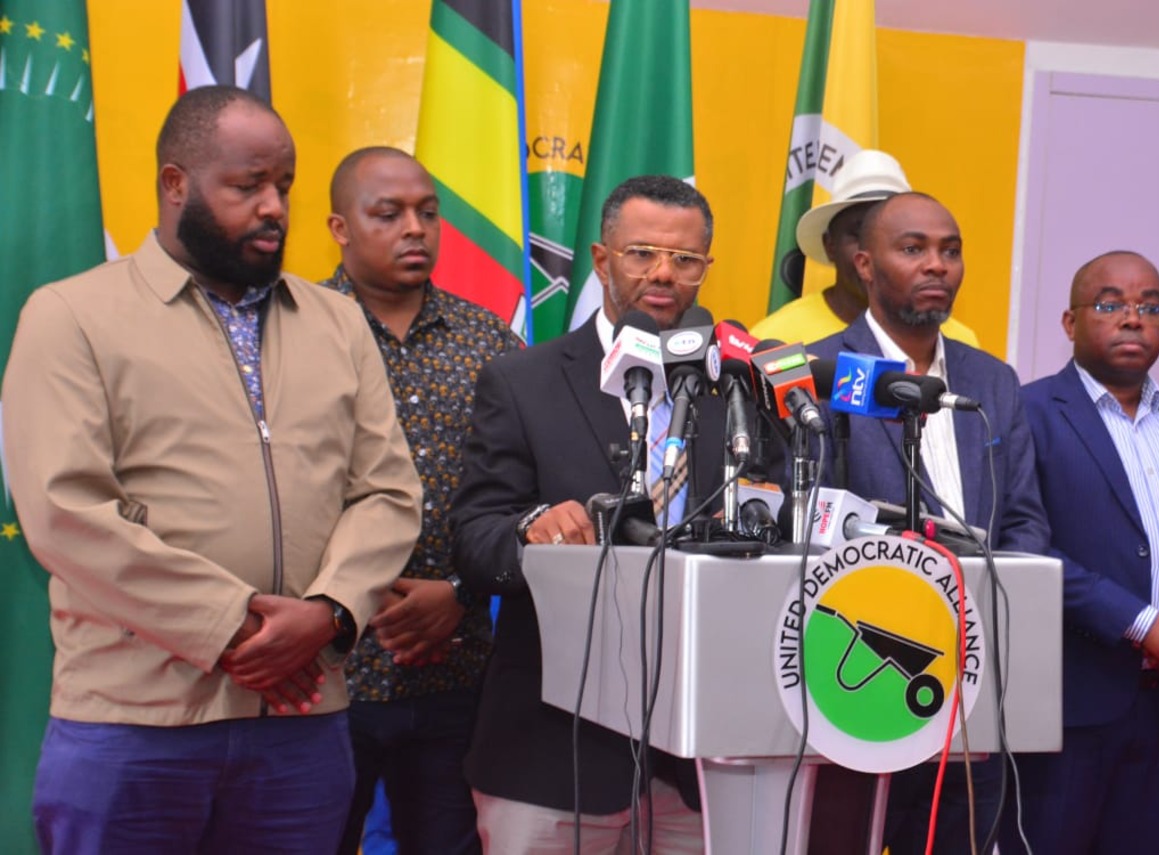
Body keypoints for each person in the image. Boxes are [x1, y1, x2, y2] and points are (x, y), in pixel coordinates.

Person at [1, 86, 424, 853]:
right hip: (134, 725)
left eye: (285, 187)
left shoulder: (336, 321)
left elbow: (387, 491)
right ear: (175, 184)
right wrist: (236, 626)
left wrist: (328, 612)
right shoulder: (71, 316)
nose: (274, 207)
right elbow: (65, 509)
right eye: (247, 186)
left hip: (303, 723)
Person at [450, 175, 729, 853]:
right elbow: (475, 537)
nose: (663, 273)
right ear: (602, 260)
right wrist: (532, 530)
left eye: (685, 259)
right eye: (640, 254)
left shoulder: (739, 389)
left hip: (703, 763)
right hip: (553, 751)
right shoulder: (524, 381)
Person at [806, 191, 1050, 855]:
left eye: (949, 249)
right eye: (912, 248)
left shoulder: (991, 380)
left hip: (973, 681)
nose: (936, 264)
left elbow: (1024, 517)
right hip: (864, 677)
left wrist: (995, 609)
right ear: (864, 263)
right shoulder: (822, 373)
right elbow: (811, 524)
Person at [1004, 251, 1159, 855]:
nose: (1133, 319)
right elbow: (1023, 551)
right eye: (1110, 304)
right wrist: (1144, 625)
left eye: (1150, 306)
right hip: (1068, 709)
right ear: (1070, 323)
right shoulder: (1028, 412)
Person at [320, 146, 522, 855]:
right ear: (340, 227)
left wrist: (460, 593)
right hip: (325, 674)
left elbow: (528, 496)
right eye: (389, 214)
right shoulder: (297, 333)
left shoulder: (488, 342)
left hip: (455, 663)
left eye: (428, 214)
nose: (415, 229)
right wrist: (349, 598)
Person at [751, 149, 979, 348]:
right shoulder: (776, 338)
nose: (874, 253)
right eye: (860, 235)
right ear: (830, 245)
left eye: (904, 245)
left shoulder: (958, 342)